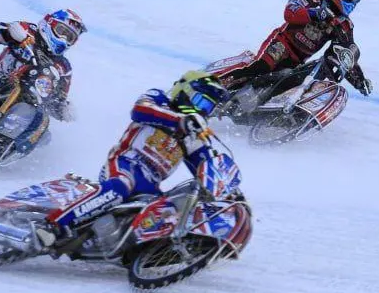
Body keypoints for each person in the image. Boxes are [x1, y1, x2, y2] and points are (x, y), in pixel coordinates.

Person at [38, 71, 233, 243]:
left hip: (150, 183)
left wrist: (225, 190)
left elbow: (205, 164)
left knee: (166, 213)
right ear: (184, 91)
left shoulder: (192, 134)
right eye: (200, 102)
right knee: (121, 186)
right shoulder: (158, 99)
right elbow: (139, 110)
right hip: (125, 164)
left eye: (208, 107)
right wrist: (181, 121)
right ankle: (52, 225)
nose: (201, 110)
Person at [215, 0, 376, 101]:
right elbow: (290, 12)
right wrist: (314, 13)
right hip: (282, 44)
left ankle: (262, 112)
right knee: (261, 66)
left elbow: (345, 54)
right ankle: (212, 85)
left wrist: (359, 81)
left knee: (285, 84)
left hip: (298, 61)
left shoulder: (344, 24)